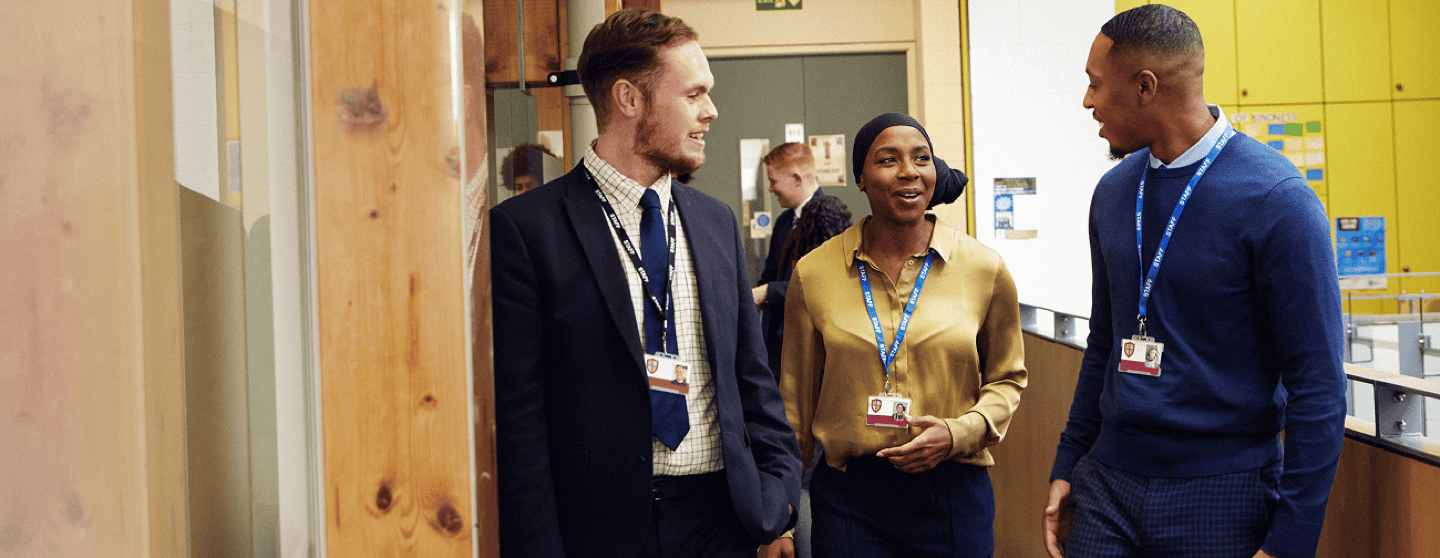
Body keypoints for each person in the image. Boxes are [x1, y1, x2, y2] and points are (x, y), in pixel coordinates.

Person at [489, 8, 801, 558]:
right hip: (600, 530)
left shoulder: (714, 221)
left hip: (720, 523)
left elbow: (752, 380)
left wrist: (777, 499)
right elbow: (520, 423)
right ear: (629, 99)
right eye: (693, 94)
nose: (711, 111)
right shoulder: (527, 230)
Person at [1042, 6, 1346, 558]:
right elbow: (1105, 344)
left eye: (1095, 84)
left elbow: (1319, 387)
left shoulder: (1278, 201)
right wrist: (1069, 463)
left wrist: (1291, 540)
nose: (1087, 101)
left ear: (1145, 87)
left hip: (1223, 490)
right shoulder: (1112, 193)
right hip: (1108, 482)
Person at [780, 112, 1026, 557]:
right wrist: (780, 520)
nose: (908, 171)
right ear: (860, 177)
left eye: (921, 158)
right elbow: (794, 408)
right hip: (850, 498)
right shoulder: (815, 273)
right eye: (888, 159)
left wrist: (959, 432)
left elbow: (1007, 380)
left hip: (952, 491)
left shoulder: (983, 269)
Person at [752, 142, 852, 378]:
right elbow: (770, 275)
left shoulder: (828, 217)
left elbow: (828, 286)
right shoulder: (784, 222)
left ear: (796, 178)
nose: (770, 189)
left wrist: (769, 292)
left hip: (814, 351)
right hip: (779, 350)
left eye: (773, 181)